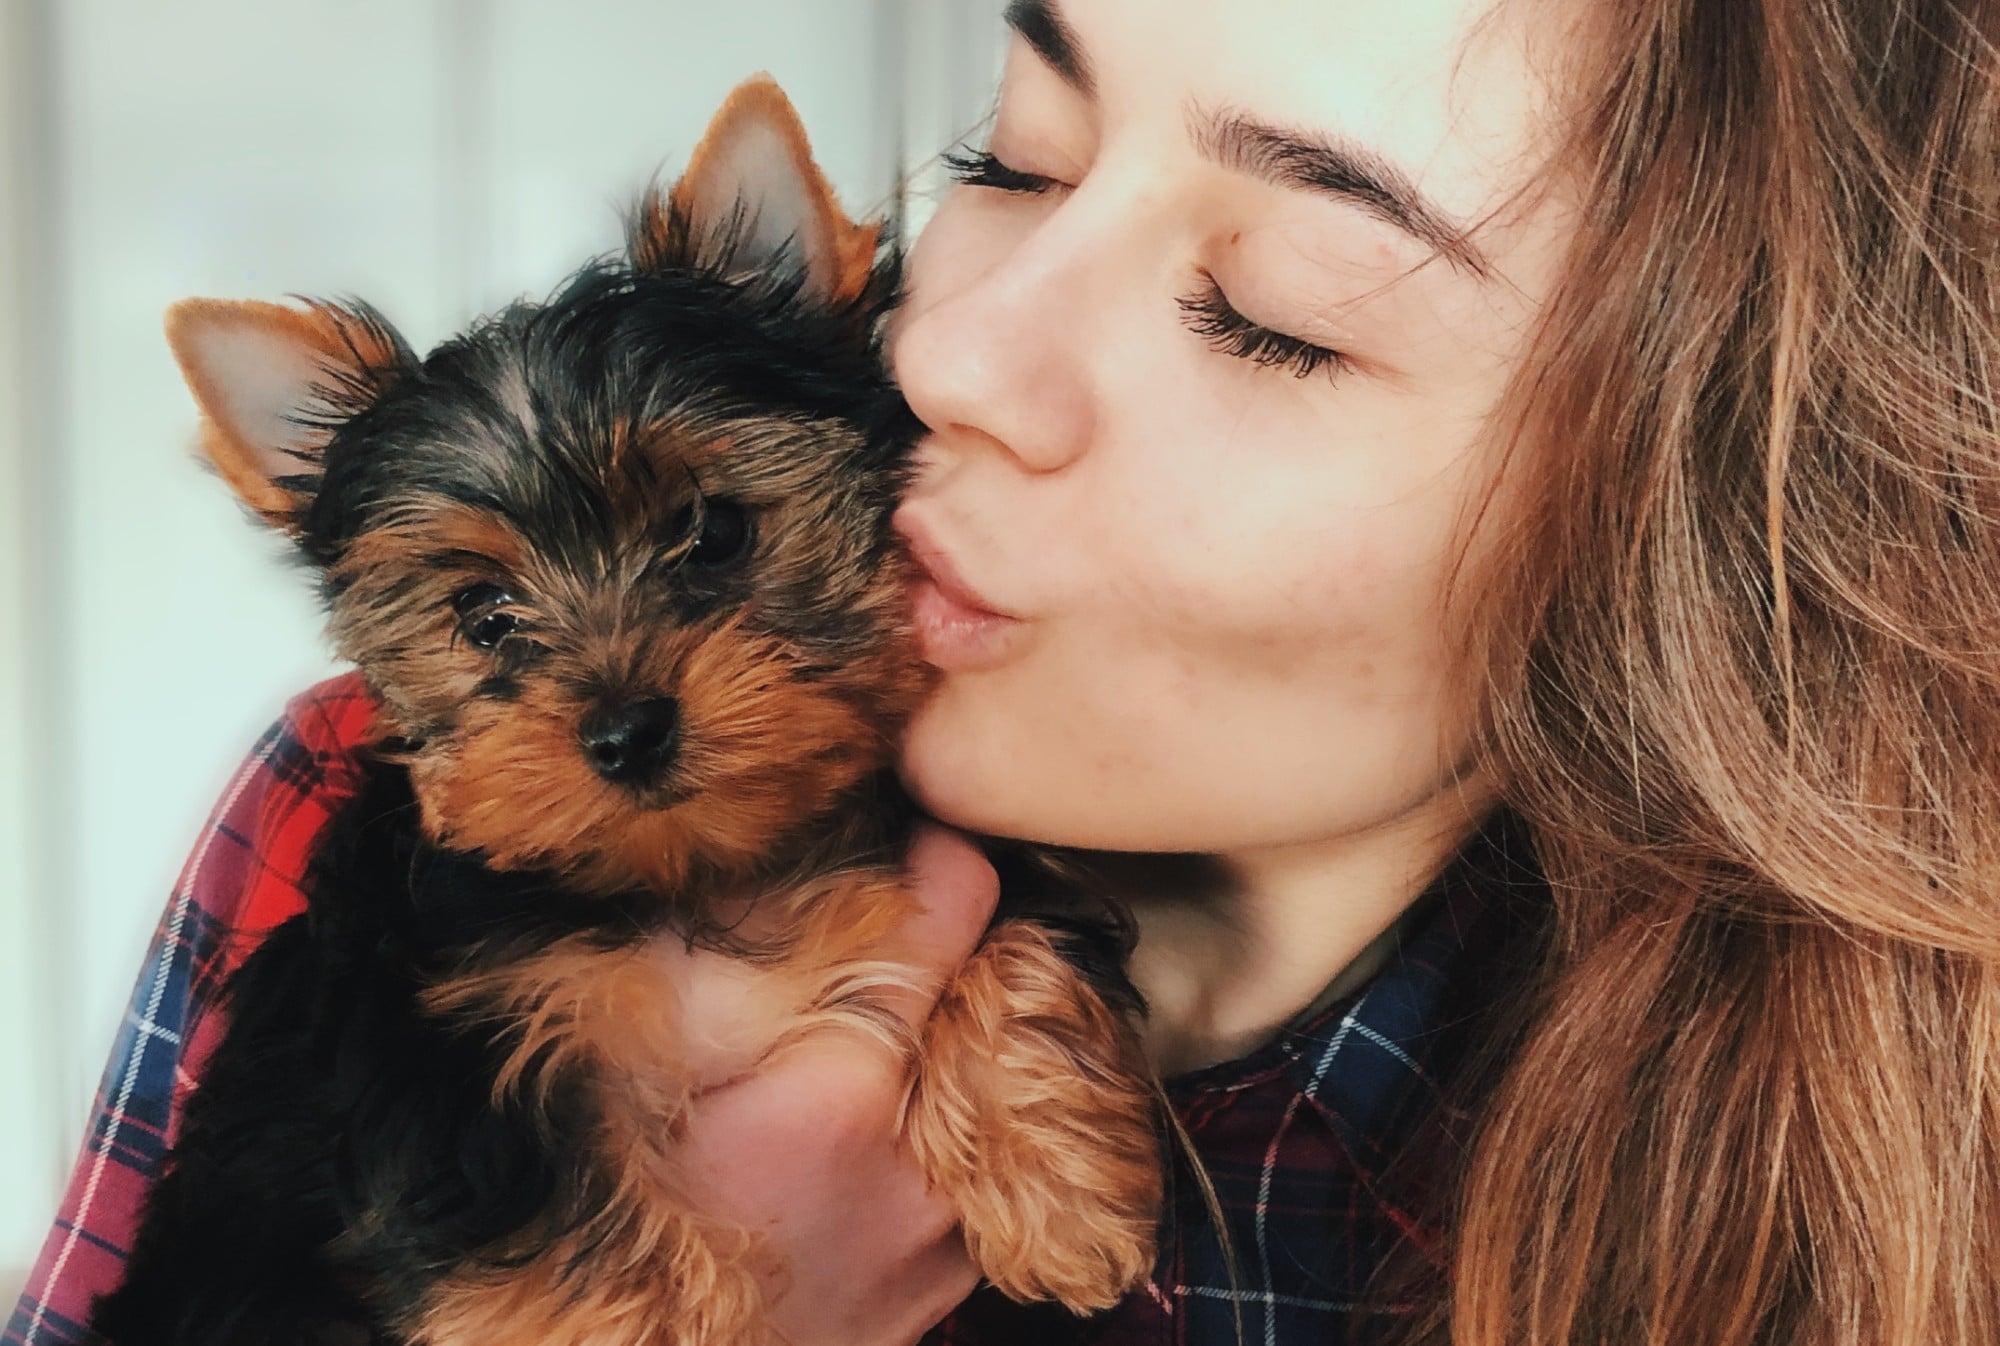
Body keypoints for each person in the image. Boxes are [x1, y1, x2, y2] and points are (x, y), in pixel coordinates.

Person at [12, 0, 2000, 1342]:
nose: (945, 356)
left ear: (1726, 522)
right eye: (1019, 156)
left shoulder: (1790, 1161)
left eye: (1269, 316)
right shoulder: (343, 799)